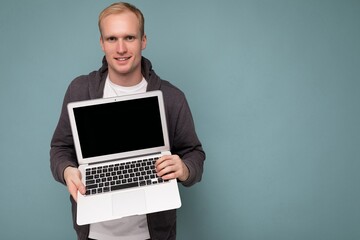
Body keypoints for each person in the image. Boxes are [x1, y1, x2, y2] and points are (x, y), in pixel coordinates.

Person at [50, 2, 205, 240]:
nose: (121, 48)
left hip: (153, 234)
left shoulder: (172, 98)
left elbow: (194, 153)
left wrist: (184, 168)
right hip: (95, 233)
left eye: (129, 37)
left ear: (143, 41)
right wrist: (68, 171)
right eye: (112, 39)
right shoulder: (80, 90)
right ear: (102, 43)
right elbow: (60, 148)